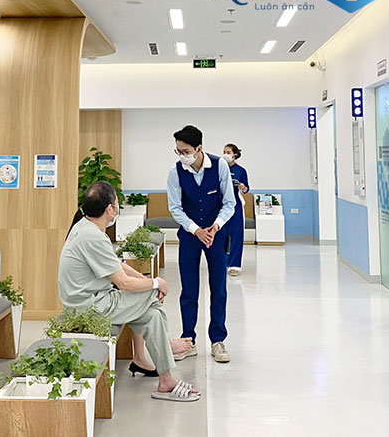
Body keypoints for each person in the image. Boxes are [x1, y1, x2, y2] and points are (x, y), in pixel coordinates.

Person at [59, 181, 200, 402]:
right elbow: (123, 283)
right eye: (117, 203)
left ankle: (166, 380)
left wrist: (145, 279)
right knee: (150, 295)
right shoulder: (93, 236)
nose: (118, 207)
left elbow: (116, 265)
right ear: (110, 209)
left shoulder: (85, 227)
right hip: (90, 308)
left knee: (152, 314)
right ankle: (167, 344)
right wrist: (156, 284)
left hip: (94, 301)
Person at [167, 125, 235, 364]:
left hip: (216, 234)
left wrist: (216, 226)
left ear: (199, 148)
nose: (182, 155)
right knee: (188, 289)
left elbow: (229, 203)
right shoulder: (175, 172)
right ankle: (188, 340)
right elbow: (175, 208)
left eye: (185, 151)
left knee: (219, 288)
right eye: (178, 151)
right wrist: (195, 230)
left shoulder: (220, 166)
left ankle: (218, 340)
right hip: (189, 236)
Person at [223, 144, 250, 277]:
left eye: (228, 152)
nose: (225, 154)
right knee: (221, 235)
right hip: (221, 206)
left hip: (236, 206)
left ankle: (234, 265)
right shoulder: (219, 168)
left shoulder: (241, 170)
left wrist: (243, 187)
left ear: (235, 155)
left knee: (236, 235)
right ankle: (222, 263)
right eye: (224, 152)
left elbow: (246, 189)